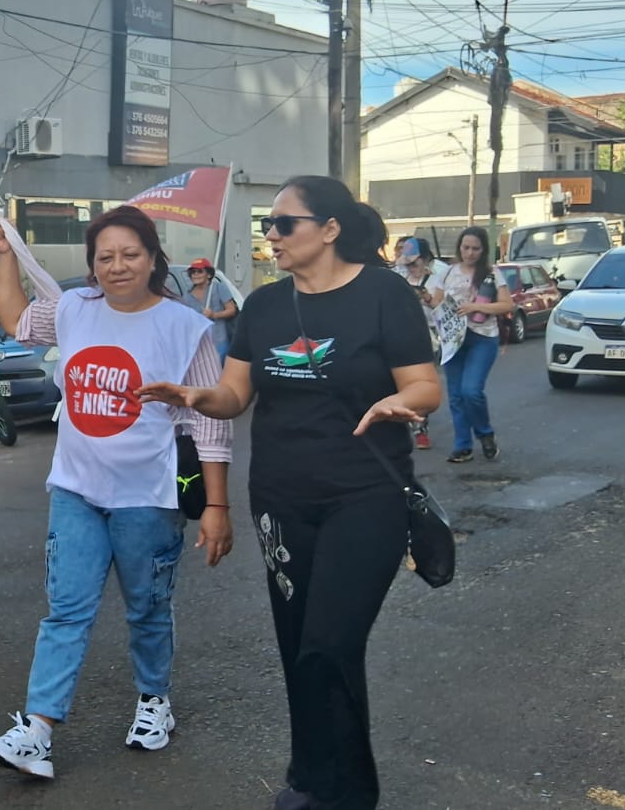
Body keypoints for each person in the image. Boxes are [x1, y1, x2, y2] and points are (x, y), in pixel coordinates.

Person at [139, 175, 440, 810]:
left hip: (365, 496)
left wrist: (398, 401)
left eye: (283, 224)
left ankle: (346, 794)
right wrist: (197, 397)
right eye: (266, 226)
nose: (270, 236)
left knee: (330, 643)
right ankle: (310, 777)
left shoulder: (383, 293)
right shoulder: (265, 306)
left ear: (329, 230)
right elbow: (234, 395)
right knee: (300, 644)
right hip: (281, 499)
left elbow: (425, 385)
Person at [0, 206, 234, 781]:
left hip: (149, 496)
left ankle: (154, 700)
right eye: (105, 257)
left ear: (153, 258)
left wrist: (217, 506)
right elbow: (16, 319)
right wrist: (5, 256)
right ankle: (38, 731)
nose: (118, 266)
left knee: (147, 607)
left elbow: (210, 425)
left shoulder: (185, 327)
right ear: (92, 265)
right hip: (76, 491)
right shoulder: (75, 308)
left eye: (130, 254)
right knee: (66, 610)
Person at [428, 226, 514, 463]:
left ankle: (485, 434)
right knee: (456, 395)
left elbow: (507, 305)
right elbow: (437, 302)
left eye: (475, 248)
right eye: (466, 248)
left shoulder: (492, 273)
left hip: (482, 337)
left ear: (483, 250)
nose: (470, 253)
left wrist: (476, 307)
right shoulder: (447, 272)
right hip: (453, 339)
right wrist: (427, 299)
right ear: (459, 248)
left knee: (471, 391)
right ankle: (462, 446)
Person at [392, 238, 441, 450]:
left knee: (420, 385)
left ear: (425, 259)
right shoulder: (398, 279)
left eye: (414, 263)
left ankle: (420, 429)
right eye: (407, 263)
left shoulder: (437, 280)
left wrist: (427, 298)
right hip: (401, 334)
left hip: (429, 337)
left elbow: (444, 309)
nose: (410, 267)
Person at [180, 258, 238, 361]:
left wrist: (214, 315)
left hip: (218, 341)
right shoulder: (187, 296)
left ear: (209, 275)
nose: (195, 274)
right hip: (199, 343)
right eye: (193, 272)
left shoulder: (218, 287)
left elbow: (231, 310)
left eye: (200, 271)